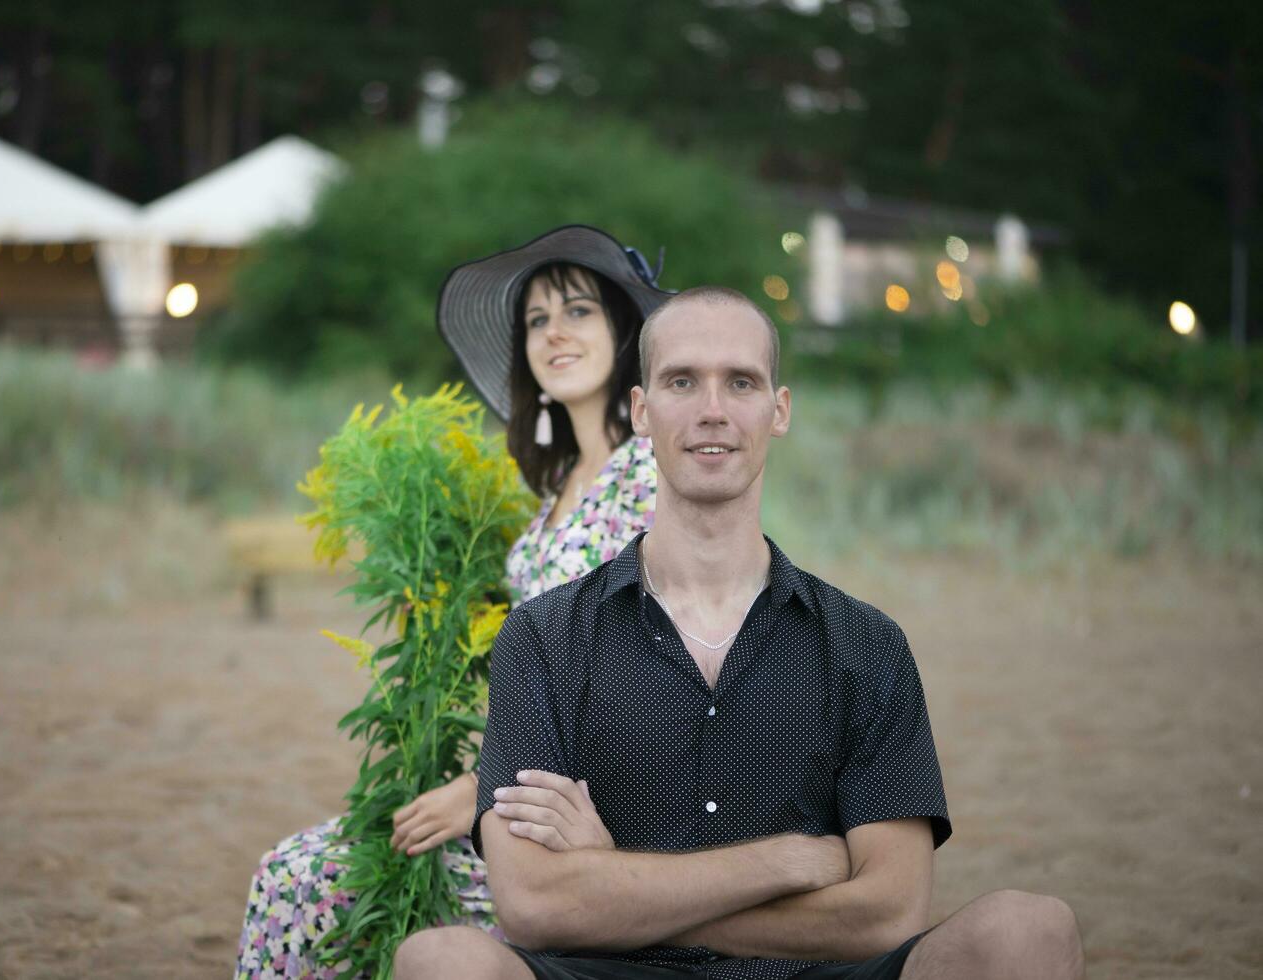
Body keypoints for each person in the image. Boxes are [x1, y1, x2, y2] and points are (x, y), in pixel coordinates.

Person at [393, 286, 1086, 980]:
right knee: (439, 959)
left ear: (778, 410)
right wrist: (784, 862)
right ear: (641, 410)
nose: (712, 411)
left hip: (806, 976)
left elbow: (889, 910)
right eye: (682, 381)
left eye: (742, 382)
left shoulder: (866, 645)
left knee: (1030, 930)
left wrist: (612, 881)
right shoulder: (542, 638)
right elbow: (534, 907)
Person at [235, 226, 673, 980]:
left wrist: (478, 795)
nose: (554, 334)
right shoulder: (554, 493)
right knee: (299, 871)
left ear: (627, 333)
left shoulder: (648, 477)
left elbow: (642, 671)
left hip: (599, 812)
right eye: (536, 320)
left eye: (578, 312)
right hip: (525, 789)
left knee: (304, 880)